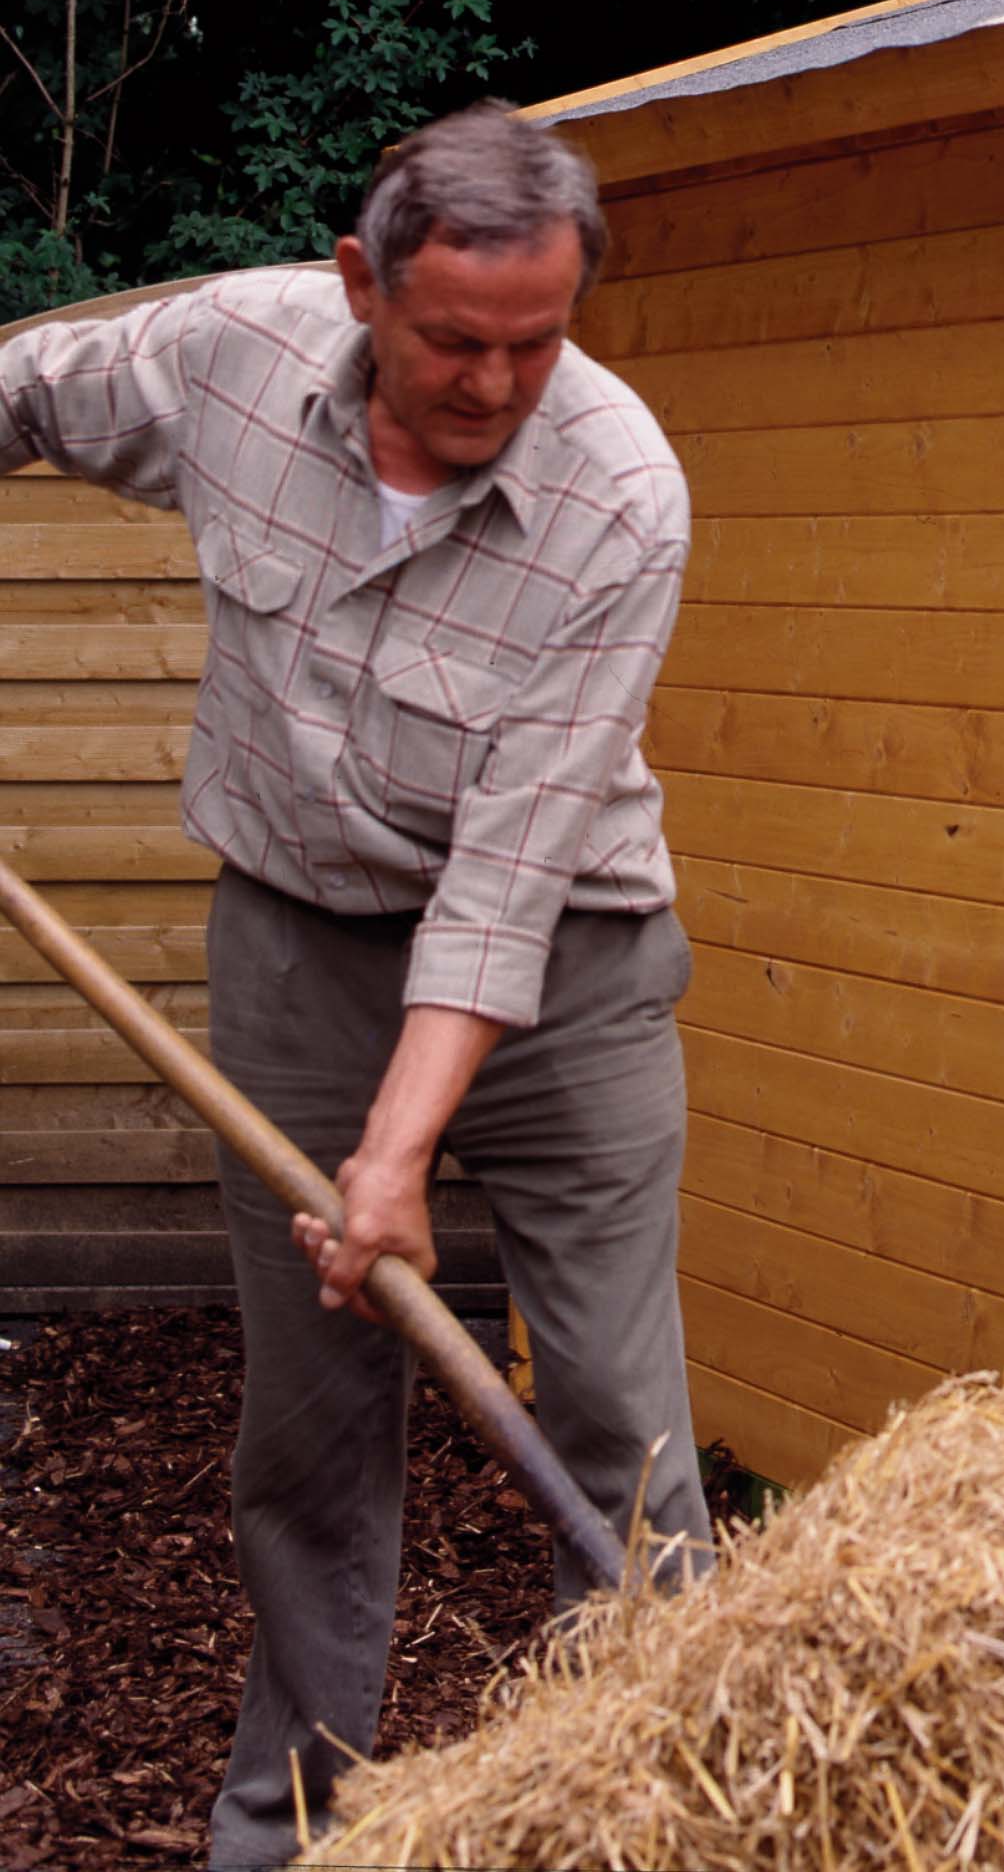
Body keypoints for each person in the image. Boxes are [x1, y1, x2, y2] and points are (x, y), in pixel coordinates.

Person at [0, 103, 711, 1867]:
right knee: (311, 1433)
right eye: (454, 340)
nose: (492, 385)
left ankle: (654, 1815)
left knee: (620, 1414)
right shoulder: (224, 357)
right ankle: (295, 1822)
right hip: (300, 952)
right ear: (358, 287)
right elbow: (19, 391)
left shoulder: (619, 492)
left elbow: (509, 877)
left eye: (535, 344)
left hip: (566, 968)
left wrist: (398, 1155)